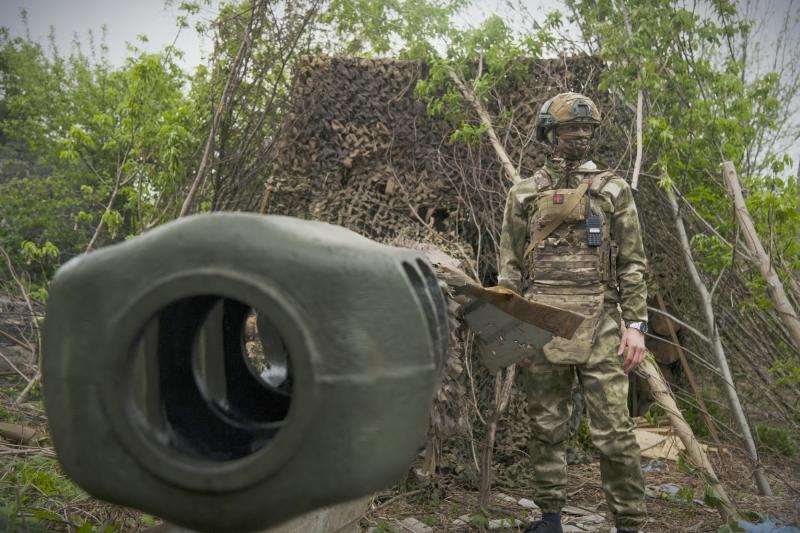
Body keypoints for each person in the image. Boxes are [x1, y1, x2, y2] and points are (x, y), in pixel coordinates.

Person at [498, 92, 648, 533]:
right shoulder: (524, 194)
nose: (581, 135)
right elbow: (508, 267)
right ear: (550, 132)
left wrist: (636, 325)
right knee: (545, 426)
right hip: (541, 321)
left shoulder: (613, 189)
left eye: (587, 128)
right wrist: (512, 331)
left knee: (615, 434)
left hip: (601, 319)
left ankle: (629, 523)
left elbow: (633, 262)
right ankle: (549, 519)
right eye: (570, 128)